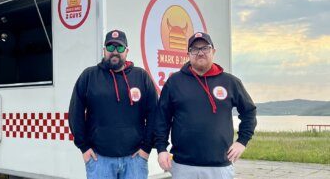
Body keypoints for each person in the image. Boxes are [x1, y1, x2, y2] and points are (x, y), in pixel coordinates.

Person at [154, 32, 257, 179]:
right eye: (195, 49)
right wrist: (161, 148)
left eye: (205, 48)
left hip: (220, 167)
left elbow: (249, 112)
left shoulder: (230, 82)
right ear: (188, 54)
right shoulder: (174, 82)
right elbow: (162, 119)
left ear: (213, 51)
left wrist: (242, 141)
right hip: (183, 166)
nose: (200, 53)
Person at [69, 29, 158, 179]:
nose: (115, 52)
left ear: (127, 51)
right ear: (104, 50)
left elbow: (154, 113)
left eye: (120, 47)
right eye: (110, 47)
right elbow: (75, 113)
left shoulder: (141, 77)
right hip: (99, 160)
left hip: (135, 160)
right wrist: (84, 147)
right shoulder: (89, 76)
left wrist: (146, 148)